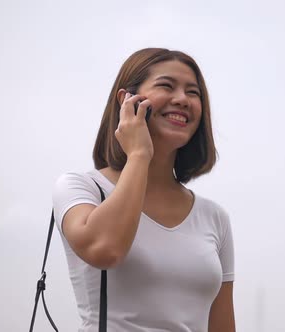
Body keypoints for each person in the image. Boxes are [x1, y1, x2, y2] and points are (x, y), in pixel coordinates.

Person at [52, 48, 235, 332]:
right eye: (166, 85)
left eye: (193, 92)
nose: (182, 100)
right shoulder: (82, 188)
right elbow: (106, 249)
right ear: (127, 100)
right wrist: (139, 155)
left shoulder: (215, 218)